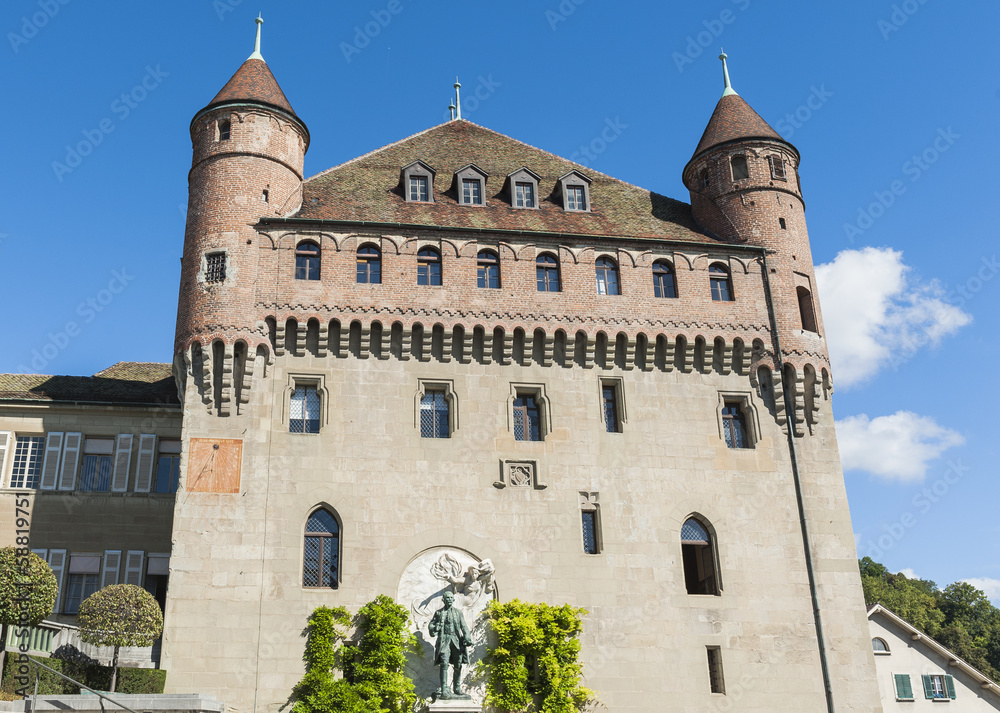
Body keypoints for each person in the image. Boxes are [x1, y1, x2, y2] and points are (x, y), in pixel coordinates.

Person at [428, 591, 472, 698]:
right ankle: (444, 689)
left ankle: (456, 688)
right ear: (443, 600)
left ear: (453, 600)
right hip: (444, 641)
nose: (449, 599)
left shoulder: (458, 612)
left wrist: (467, 637)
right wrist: (435, 628)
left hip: (456, 641)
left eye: (451, 598)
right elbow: (431, 625)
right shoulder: (438, 613)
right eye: (447, 598)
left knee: (458, 664)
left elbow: (464, 626)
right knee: (444, 663)